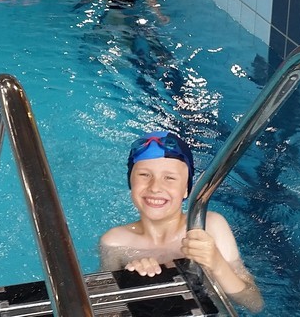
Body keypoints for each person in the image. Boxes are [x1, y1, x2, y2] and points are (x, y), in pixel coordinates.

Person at [99, 131, 264, 313]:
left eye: (169, 178)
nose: (155, 187)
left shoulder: (209, 227)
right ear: (131, 182)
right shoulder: (115, 242)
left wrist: (216, 262)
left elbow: (253, 303)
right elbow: (106, 310)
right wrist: (131, 282)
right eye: (144, 175)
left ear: (186, 189)